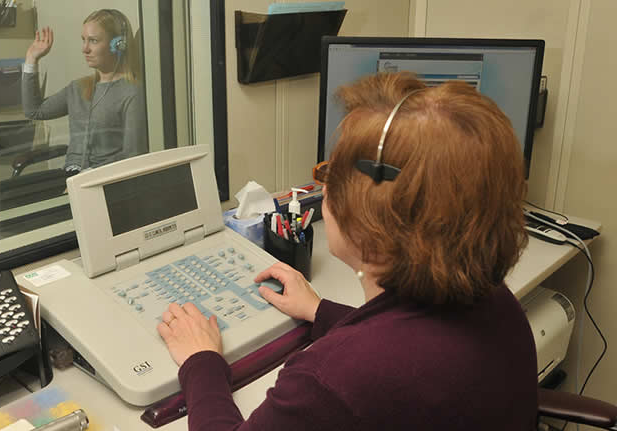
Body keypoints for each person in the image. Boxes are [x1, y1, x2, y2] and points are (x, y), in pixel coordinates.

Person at [156, 72, 538, 430]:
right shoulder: (494, 298)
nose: (323, 187)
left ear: (366, 213)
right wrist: (319, 311)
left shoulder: (329, 380)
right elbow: (408, 347)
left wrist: (200, 361)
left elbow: (377, 365)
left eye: (329, 174)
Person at [22, 9, 147, 173]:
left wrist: (88, 175)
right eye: (84, 40)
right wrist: (31, 59)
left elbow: (132, 154)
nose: (85, 49)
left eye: (93, 41)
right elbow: (34, 111)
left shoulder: (131, 92)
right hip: (70, 175)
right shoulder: (78, 88)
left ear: (118, 44)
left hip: (102, 178)